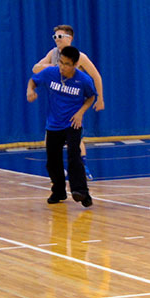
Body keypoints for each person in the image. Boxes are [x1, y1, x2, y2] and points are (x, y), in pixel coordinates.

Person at [27, 45, 96, 207]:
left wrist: (80, 113)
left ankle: (81, 192)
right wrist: (30, 90)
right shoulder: (50, 73)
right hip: (54, 124)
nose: (62, 67)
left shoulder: (84, 80)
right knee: (52, 161)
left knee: (74, 155)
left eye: (67, 64)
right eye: (61, 62)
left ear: (75, 65)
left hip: (73, 123)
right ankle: (58, 191)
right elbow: (33, 80)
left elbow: (91, 97)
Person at [33, 25, 104, 180]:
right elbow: (35, 68)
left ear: (69, 38)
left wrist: (100, 98)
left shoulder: (79, 57)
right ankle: (58, 169)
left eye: (60, 37)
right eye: (55, 37)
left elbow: (96, 76)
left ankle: (83, 167)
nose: (56, 40)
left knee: (75, 136)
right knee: (50, 139)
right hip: (57, 102)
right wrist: (50, 66)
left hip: (73, 102)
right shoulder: (53, 54)